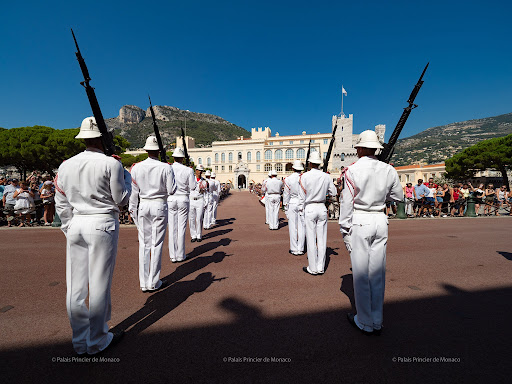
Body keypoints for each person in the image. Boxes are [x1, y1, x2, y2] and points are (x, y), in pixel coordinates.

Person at [54, 116, 131, 355]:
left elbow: (61, 202)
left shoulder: (65, 165)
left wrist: (68, 227)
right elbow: (121, 199)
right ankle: (97, 340)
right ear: (102, 138)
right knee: (99, 284)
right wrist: (125, 174)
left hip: (76, 222)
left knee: (75, 287)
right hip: (102, 223)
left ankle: (79, 340)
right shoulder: (111, 163)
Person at [339, 130, 403, 335]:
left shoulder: (352, 170)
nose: (356, 149)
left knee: (360, 274)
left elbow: (346, 202)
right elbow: (398, 196)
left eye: (357, 146)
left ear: (360, 148)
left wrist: (344, 228)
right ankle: (376, 319)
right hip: (380, 219)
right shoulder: (389, 169)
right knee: (377, 272)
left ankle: (364, 321)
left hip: (360, 219)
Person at [129, 136, 176, 292]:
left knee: (144, 244)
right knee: (156, 244)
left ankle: (143, 282)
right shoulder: (165, 167)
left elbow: (134, 192)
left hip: (143, 205)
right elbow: (171, 190)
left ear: (146, 150)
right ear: (159, 151)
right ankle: (153, 281)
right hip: (159, 204)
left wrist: (132, 209)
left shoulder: (136, 168)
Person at [299, 151, 336, 275]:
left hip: (310, 207)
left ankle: (313, 267)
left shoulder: (304, 176)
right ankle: (321, 266)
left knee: (310, 238)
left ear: (309, 163)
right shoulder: (326, 176)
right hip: (322, 207)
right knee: (322, 238)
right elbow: (334, 192)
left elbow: (301, 196)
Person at [168, 147, 196, 262]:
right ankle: (180, 254)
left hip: (171, 199)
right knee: (181, 227)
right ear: (183, 158)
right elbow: (193, 186)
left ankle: (173, 255)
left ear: (173, 157)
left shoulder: (168, 168)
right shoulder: (188, 170)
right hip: (183, 198)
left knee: (172, 228)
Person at [283, 160, 305, 255]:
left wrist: (285, 206)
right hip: (302, 202)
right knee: (302, 226)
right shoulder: (304, 177)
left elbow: (286, 194)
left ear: (293, 168)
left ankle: (294, 248)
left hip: (292, 202)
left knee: (292, 227)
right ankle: (301, 248)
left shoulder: (288, 179)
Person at [189, 164, 208, 242]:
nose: (200, 172)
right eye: (199, 170)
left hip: (200, 200)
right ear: (195, 170)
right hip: (191, 200)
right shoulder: (191, 179)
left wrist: (205, 202)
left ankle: (199, 235)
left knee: (199, 218)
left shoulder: (204, 181)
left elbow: (206, 192)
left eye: (201, 171)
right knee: (191, 219)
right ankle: (193, 235)